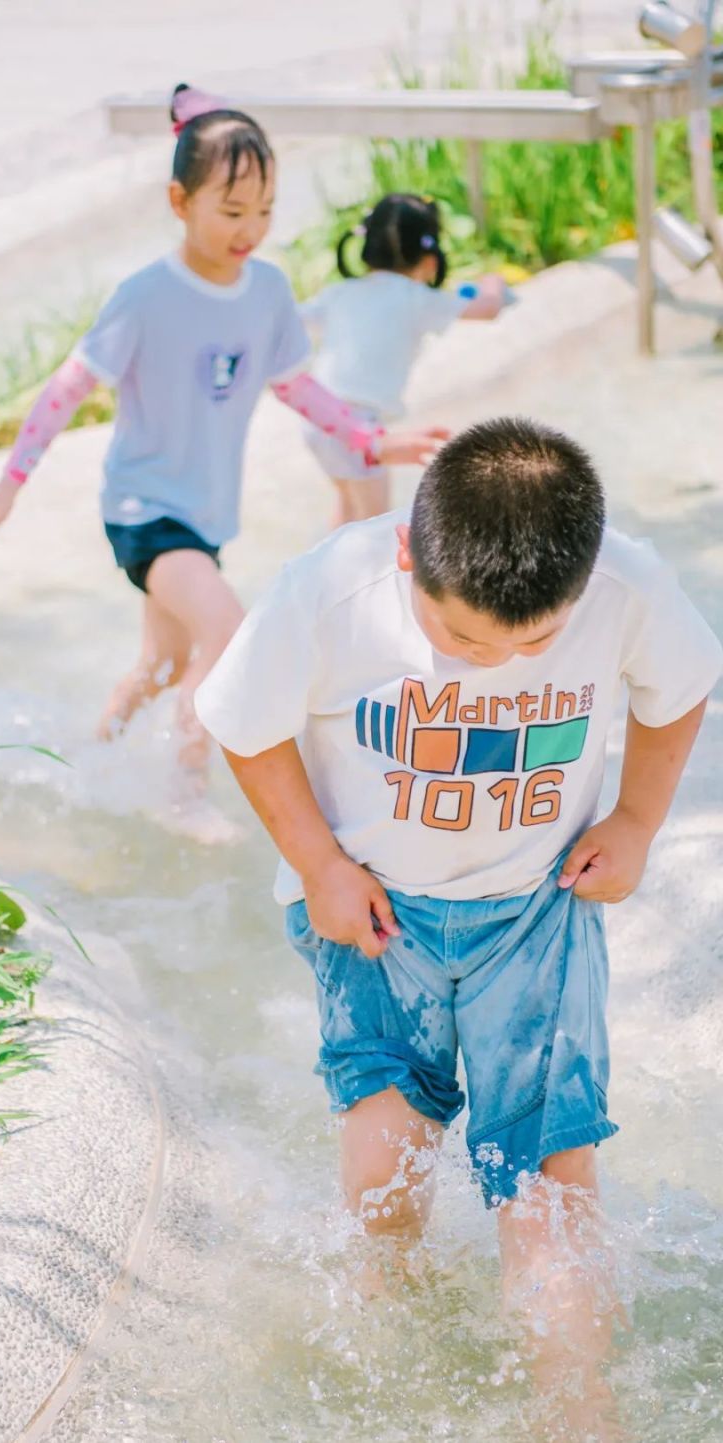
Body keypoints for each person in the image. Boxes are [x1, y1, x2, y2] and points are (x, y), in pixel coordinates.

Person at [194, 416, 722, 1437]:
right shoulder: (333, 587)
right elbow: (244, 728)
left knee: (549, 1175)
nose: (495, 665)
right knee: (386, 1154)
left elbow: (681, 688)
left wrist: (639, 821)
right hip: (376, 907)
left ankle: (582, 1407)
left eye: (533, 645)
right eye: (466, 641)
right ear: (407, 554)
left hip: (539, 908)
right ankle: (386, 1345)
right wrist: (320, 867)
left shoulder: (627, 582)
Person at [0, 87, 447, 783]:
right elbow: (69, 386)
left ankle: (91, 759)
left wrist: (374, 441)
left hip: (204, 513)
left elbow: (296, 387)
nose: (251, 229)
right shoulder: (146, 295)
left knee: (163, 666)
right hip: (145, 510)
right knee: (228, 633)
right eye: (233, 210)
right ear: (179, 202)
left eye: (266, 211)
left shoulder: (267, 291)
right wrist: (8, 486)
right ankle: (189, 789)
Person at [302, 193, 506, 528]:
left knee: (348, 501)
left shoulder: (341, 292)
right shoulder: (417, 299)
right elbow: (487, 308)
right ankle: (357, 578)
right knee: (374, 526)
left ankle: (326, 572)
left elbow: (296, 319)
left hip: (316, 417)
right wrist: (493, 283)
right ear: (429, 260)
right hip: (358, 425)